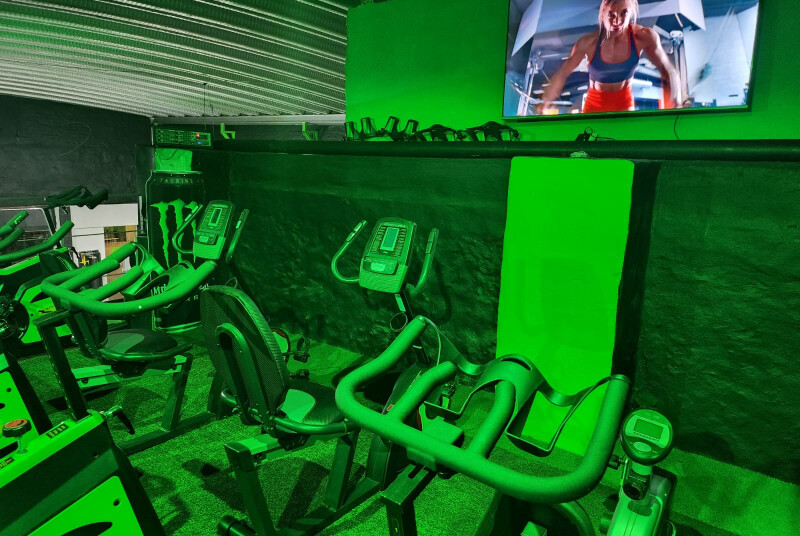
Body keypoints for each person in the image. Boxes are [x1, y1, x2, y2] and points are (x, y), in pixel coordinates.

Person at [540, 0, 680, 114]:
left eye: (623, 13)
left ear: (631, 12)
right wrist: (546, 100)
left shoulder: (643, 37)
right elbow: (563, 72)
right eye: (611, 14)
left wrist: (676, 100)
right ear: (603, 13)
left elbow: (668, 69)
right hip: (593, 105)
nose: (617, 21)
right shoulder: (588, 42)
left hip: (624, 104)